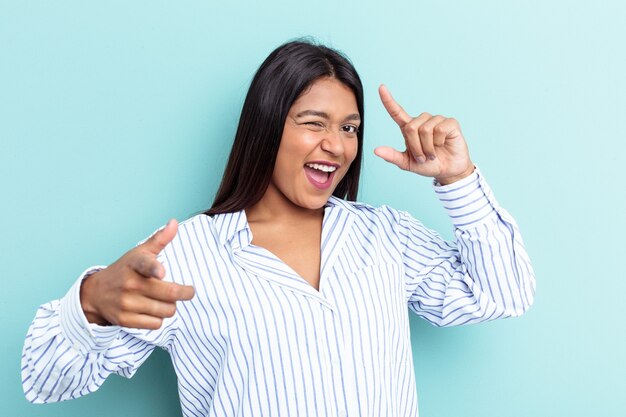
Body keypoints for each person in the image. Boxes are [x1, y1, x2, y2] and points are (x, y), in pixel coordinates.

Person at [21, 40, 536, 416]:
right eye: (314, 122)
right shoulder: (187, 255)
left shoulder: (386, 236)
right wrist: (90, 301)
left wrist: (459, 179)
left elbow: (503, 295)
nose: (336, 145)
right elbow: (44, 381)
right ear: (267, 127)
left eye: (350, 128)